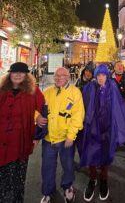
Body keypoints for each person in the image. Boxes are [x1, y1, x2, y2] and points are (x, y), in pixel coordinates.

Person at [77, 64, 125, 202]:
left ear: (107, 75)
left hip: (107, 129)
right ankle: (92, 179)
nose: (101, 77)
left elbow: (118, 106)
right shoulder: (89, 87)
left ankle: (103, 179)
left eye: (103, 75)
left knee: (105, 155)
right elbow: (82, 105)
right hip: (92, 128)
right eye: (99, 75)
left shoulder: (112, 87)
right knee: (91, 154)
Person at [0, 62, 45, 202]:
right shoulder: (1, 90)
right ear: (10, 74)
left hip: (20, 142)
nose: (18, 75)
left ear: (26, 75)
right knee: (2, 180)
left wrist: (37, 136)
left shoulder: (33, 91)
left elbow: (44, 111)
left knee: (17, 181)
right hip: (1, 142)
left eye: (22, 72)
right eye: (15, 72)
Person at [40, 67, 85, 203]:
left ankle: (67, 187)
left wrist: (71, 136)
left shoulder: (75, 92)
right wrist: (37, 117)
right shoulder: (47, 92)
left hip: (66, 139)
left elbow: (78, 116)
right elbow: (37, 109)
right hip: (49, 139)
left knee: (68, 166)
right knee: (47, 168)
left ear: (67, 77)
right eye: (56, 76)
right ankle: (48, 192)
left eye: (62, 76)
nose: (58, 78)